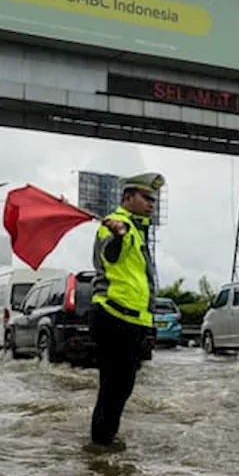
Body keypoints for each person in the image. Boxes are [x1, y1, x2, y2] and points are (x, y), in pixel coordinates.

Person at [89, 172, 163, 446]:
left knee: (121, 387)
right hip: (112, 315)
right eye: (146, 198)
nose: (151, 204)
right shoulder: (116, 225)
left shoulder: (138, 229)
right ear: (128, 197)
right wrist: (118, 236)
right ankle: (101, 447)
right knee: (113, 387)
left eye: (153, 200)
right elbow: (109, 255)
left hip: (132, 321)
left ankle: (105, 440)